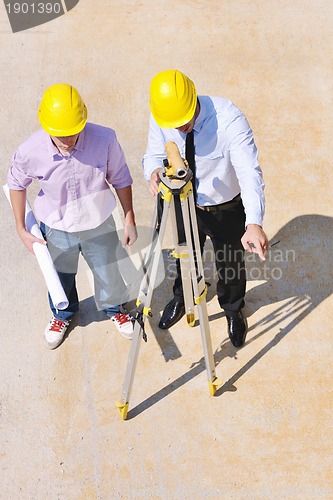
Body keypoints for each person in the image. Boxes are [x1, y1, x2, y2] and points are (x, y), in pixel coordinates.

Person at [142, 69, 268, 347]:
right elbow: (153, 154)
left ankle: (233, 309)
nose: (179, 127)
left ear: (194, 97)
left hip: (225, 207)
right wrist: (152, 171)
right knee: (184, 255)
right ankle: (182, 296)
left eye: (184, 120)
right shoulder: (163, 113)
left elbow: (249, 172)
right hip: (182, 199)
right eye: (173, 123)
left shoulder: (229, 119)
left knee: (231, 263)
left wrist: (254, 223)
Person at [7, 83, 137, 349]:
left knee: (107, 270)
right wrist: (21, 229)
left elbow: (121, 178)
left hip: (98, 223)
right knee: (61, 276)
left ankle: (115, 308)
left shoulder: (105, 140)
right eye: (60, 135)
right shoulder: (30, 151)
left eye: (73, 132)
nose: (67, 140)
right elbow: (16, 184)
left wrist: (129, 216)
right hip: (56, 229)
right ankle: (62, 314)